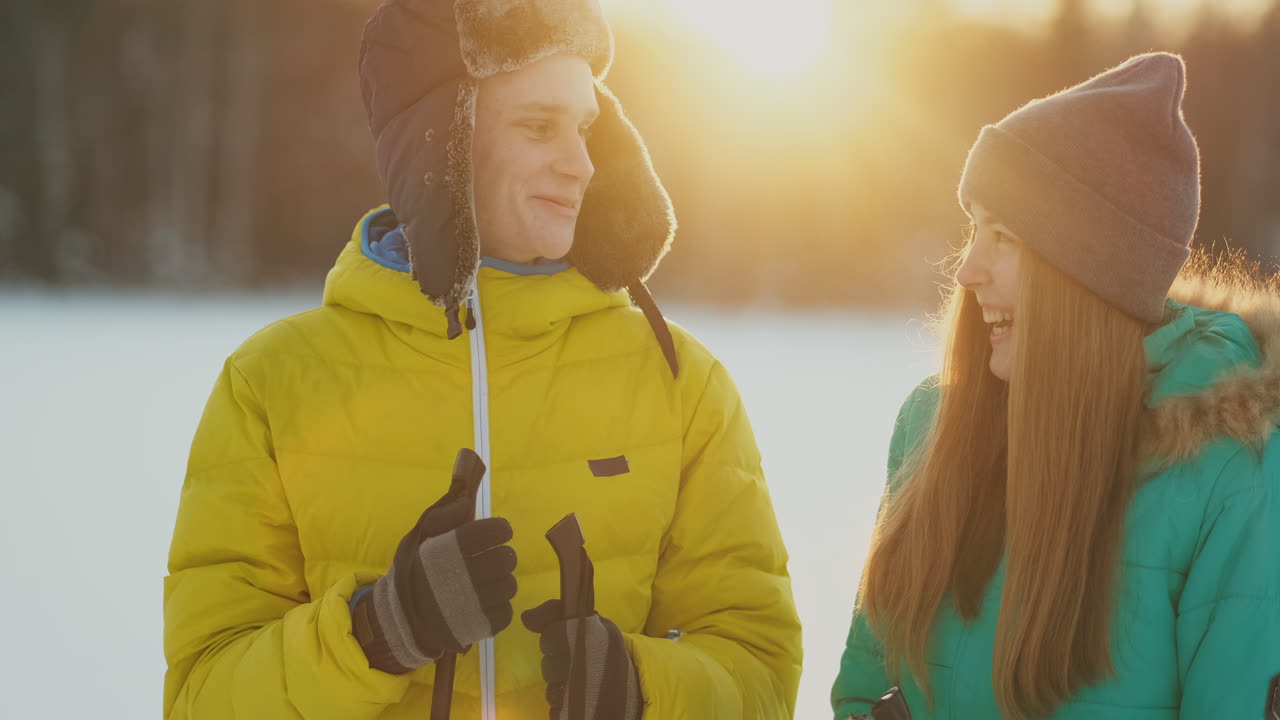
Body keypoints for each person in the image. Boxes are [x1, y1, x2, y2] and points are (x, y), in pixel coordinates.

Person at [162, 1, 802, 718]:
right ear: (441, 137)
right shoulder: (273, 384)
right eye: (538, 126)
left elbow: (759, 674)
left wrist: (643, 690)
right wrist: (375, 634)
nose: (582, 163)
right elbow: (201, 697)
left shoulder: (680, 383)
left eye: (586, 127)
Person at [831, 52, 1280, 720]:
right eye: (974, 228)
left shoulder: (1226, 469)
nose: (968, 270)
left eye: (1005, 236)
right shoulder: (931, 428)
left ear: (1090, 277)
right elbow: (866, 691)